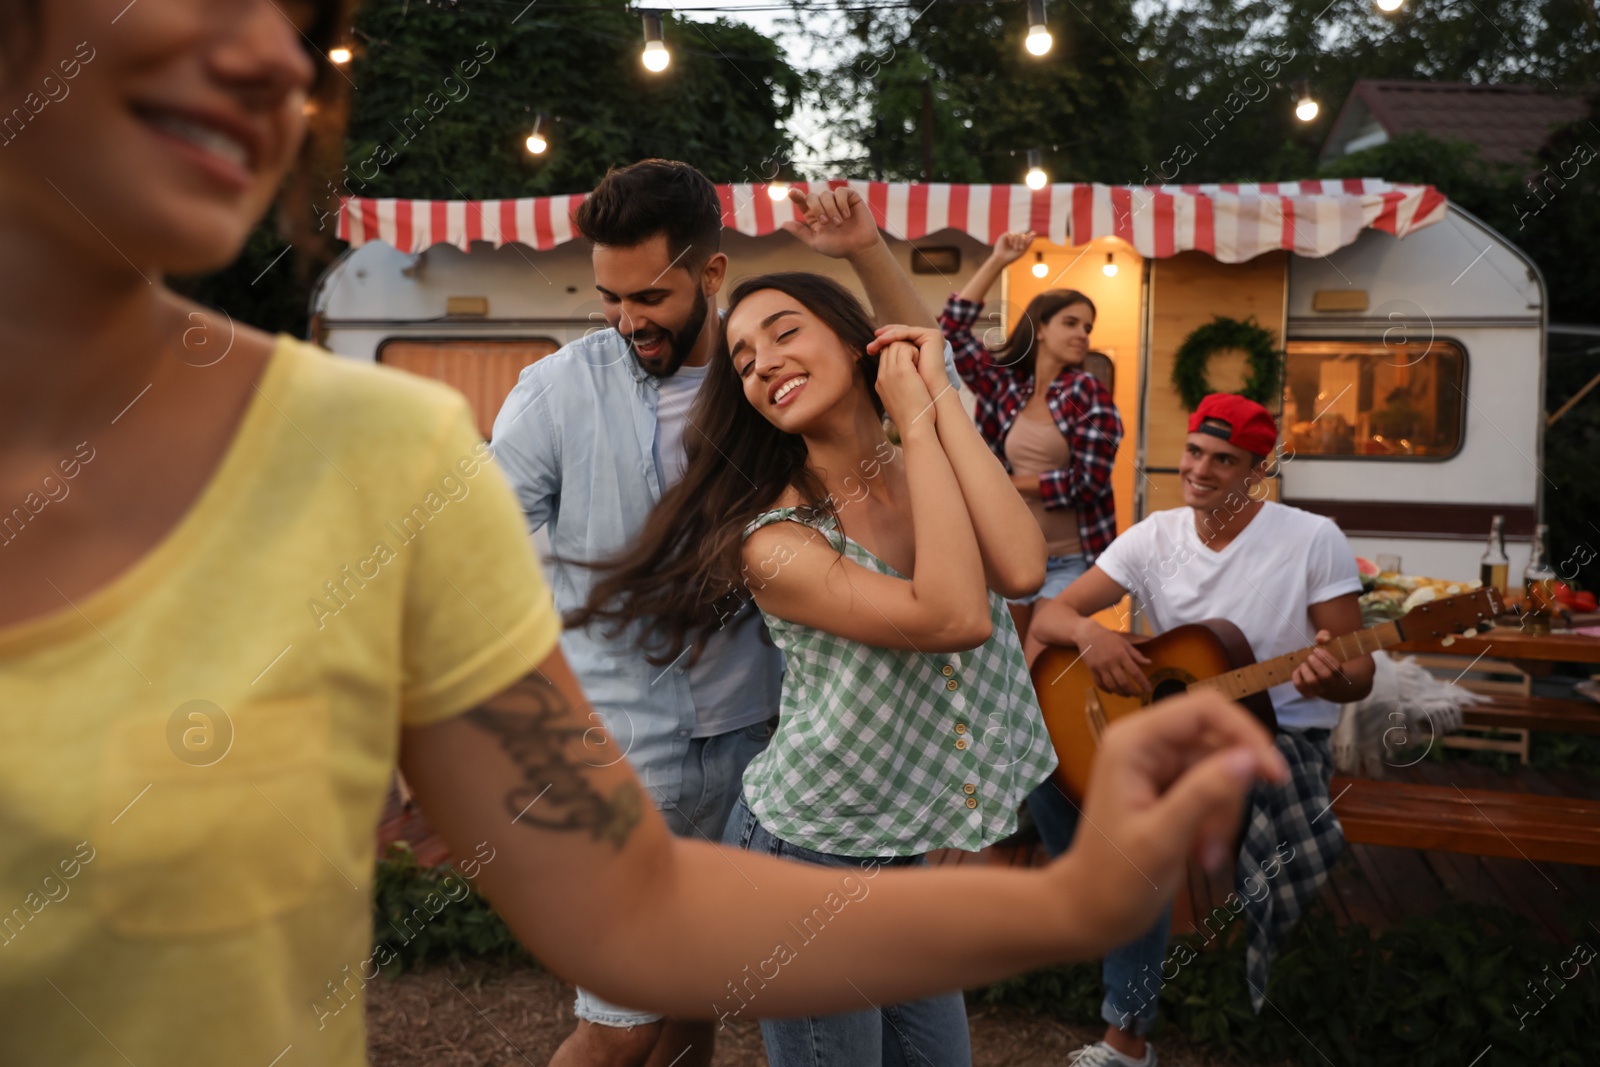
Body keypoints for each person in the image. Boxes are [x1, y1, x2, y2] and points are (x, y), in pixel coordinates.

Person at [0, 2, 1290, 1064]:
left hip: (748, 739)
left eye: (308, 20)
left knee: (664, 1023)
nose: (280, 55)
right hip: (654, 729)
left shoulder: (369, 445)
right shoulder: (567, 414)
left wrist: (1071, 896)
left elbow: (636, 906)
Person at [489, 159, 953, 1067]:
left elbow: (924, 376)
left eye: (651, 296)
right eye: (611, 296)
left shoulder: (763, 387)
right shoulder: (558, 390)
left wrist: (864, 250)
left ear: (710, 273)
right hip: (620, 750)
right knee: (621, 1028)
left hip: (759, 741)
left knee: (693, 1004)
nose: (629, 320)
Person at [569, 270, 1064, 1066]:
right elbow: (955, 618)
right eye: (743, 358)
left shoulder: (920, 467)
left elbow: (1021, 566)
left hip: (896, 846)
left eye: (783, 332)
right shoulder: (774, 539)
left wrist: (934, 406)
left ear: (853, 338)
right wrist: (913, 412)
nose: (761, 362)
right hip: (806, 859)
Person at [1027, 394, 1376, 1067]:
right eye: (1194, 451)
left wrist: (1330, 676)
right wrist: (1088, 635)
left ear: (1258, 469)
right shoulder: (1155, 536)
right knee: (1046, 767)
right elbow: (1049, 614)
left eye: (1225, 459)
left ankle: (1126, 1038)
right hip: (1174, 725)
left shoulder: (1311, 538)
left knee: (1139, 826)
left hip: (1275, 734)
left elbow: (1358, 675)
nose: (1201, 469)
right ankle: (1097, 901)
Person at [937, 230, 1123, 640]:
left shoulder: (1088, 393)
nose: (1082, 334)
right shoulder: (1007, 387)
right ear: (1040, 328)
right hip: (1011, 552)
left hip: (1073, 558)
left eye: (1087, 327)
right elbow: (949, 331)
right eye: (1071, 323)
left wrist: (1005, 484)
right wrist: (998, 259)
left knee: (1044, 650)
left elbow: (1087, 484)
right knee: (1011, 664)